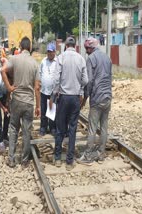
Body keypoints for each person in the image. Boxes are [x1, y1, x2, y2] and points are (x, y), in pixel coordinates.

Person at [1, 36, 40, 168]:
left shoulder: (14, 59)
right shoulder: (35, 64)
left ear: (20, 46)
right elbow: (37, 88)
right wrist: (38, 106)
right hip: (29, 102)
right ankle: (24, 161)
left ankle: (11, 159)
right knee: (26, 131)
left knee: (13, 129)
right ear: (29, 47)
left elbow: (2, 71)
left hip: (16, 100)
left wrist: (9, 88)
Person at [50, 36, 88, 171]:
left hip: (64, 97)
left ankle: (58, 158)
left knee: (60, 129)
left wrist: (54, 94)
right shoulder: (81, 59)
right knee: (72, 129)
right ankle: (69, 160)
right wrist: (79, 88)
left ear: (66, 45)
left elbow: (56, 79)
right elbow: (85, 80)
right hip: (75, 98)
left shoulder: (61, 58)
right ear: (75, 45)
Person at [78, 37, 112, 165]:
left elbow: (89, 81)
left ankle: (88, 156)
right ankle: (101, 154)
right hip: (107, 97)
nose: (86, 51)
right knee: (104, 127)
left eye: (87, 48)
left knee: (92, 128)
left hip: (97, 98)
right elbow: (110, 77)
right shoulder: (107, 58)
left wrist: (85, 97)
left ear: (91, 48)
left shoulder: (91, 59)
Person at [39, 42, 57, 136]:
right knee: (43, 110)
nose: (49, 53)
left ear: (55, 52)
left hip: (53, 92)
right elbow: (40, 73)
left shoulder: (57, 62)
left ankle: (52, 127)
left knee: (52, 110)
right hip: (44, 91)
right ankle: (43, 127)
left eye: (51, 52)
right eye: (48, 52)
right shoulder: (43, 61)